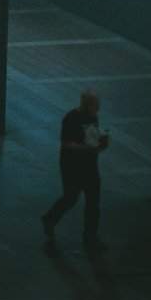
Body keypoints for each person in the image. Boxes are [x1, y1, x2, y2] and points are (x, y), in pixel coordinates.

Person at [42, 88, 110, 251]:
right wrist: (87, 148)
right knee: (71, 197)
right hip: (72, 166)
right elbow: (67, 144)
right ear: (87, 104)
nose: (97, 109)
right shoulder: (71, 118)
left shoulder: (93, 117)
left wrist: (101, 145)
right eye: (95, 105)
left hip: (90, 165)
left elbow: (91, 139)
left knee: (93, 202)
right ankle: (50, 218)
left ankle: (90, 237)